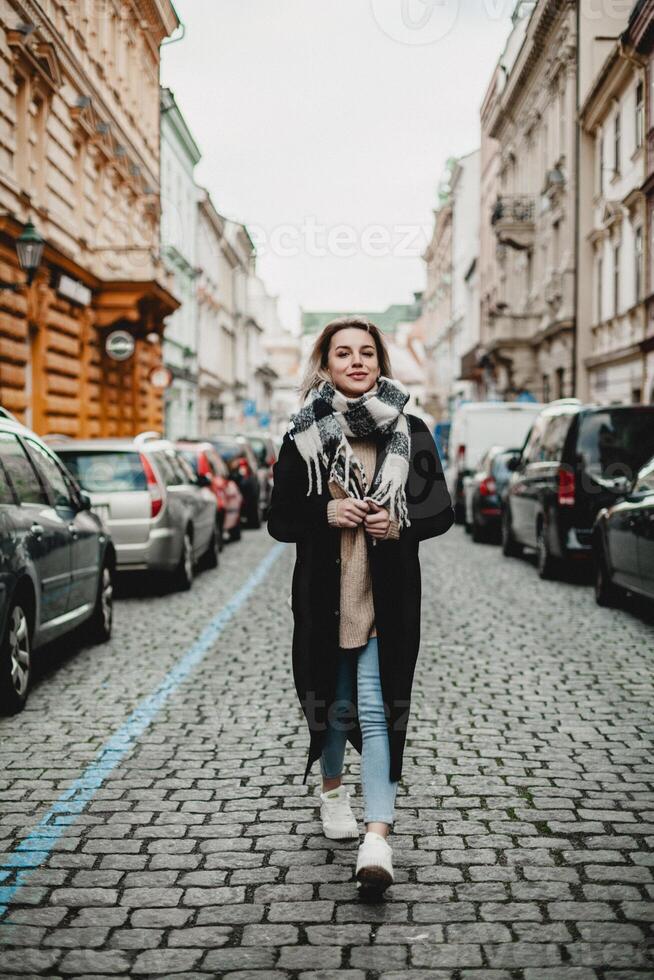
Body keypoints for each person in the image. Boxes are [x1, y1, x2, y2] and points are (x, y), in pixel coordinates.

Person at [267, 315, 454, 893]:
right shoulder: (302, 435)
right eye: (343, 353)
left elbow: (440, 511)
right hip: (326, 597)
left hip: (387, 599)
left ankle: (377, 840)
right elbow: (279, 521)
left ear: (380, 362)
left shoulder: (412, 430)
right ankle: (331, 791)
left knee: (377, 711)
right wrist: (324, 514)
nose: (356, 361)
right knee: (332, 703)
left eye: (366, 353)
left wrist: (398, 525)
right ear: (325, 365)